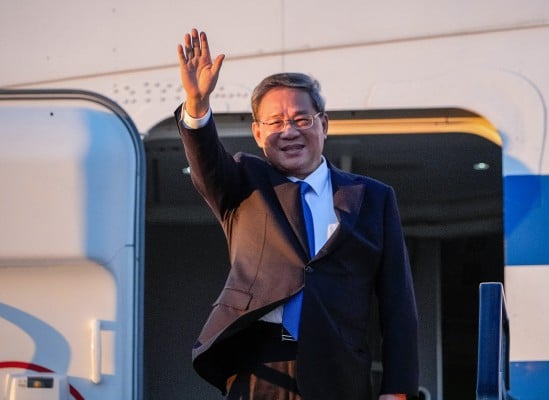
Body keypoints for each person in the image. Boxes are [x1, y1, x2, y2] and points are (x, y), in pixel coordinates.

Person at [175, 28, 419, 400]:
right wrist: (196, 105)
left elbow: (397, 303)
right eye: (275, 122)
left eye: (301, 119)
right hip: (261, 367)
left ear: (324, 124)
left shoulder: (373, 197)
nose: (288, 131)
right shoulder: (242, 183)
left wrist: (398, 390)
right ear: (258, 133)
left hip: (340, 369)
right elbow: (206, 161)